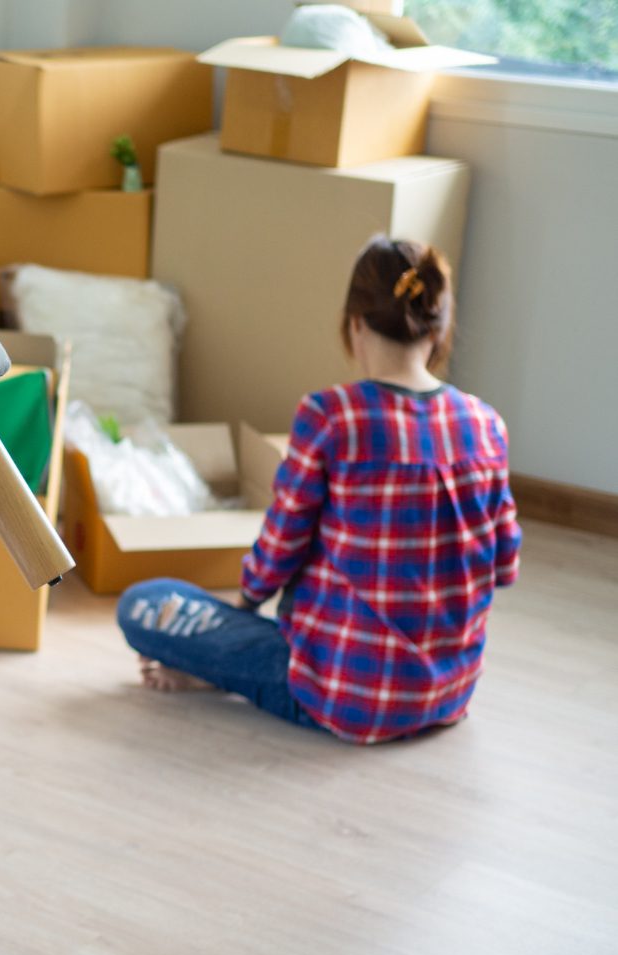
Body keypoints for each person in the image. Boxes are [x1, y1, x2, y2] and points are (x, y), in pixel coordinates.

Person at [116, 236, 521, 744]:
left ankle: (225, 671)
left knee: (144, 603)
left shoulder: (332, 415)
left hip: (344, 695)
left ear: (354, 324)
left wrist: (239, 607)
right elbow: (504, 566)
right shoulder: (486, 425)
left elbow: (280, 548)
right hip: (448, 695)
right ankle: (236, 667)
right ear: (439, 329)